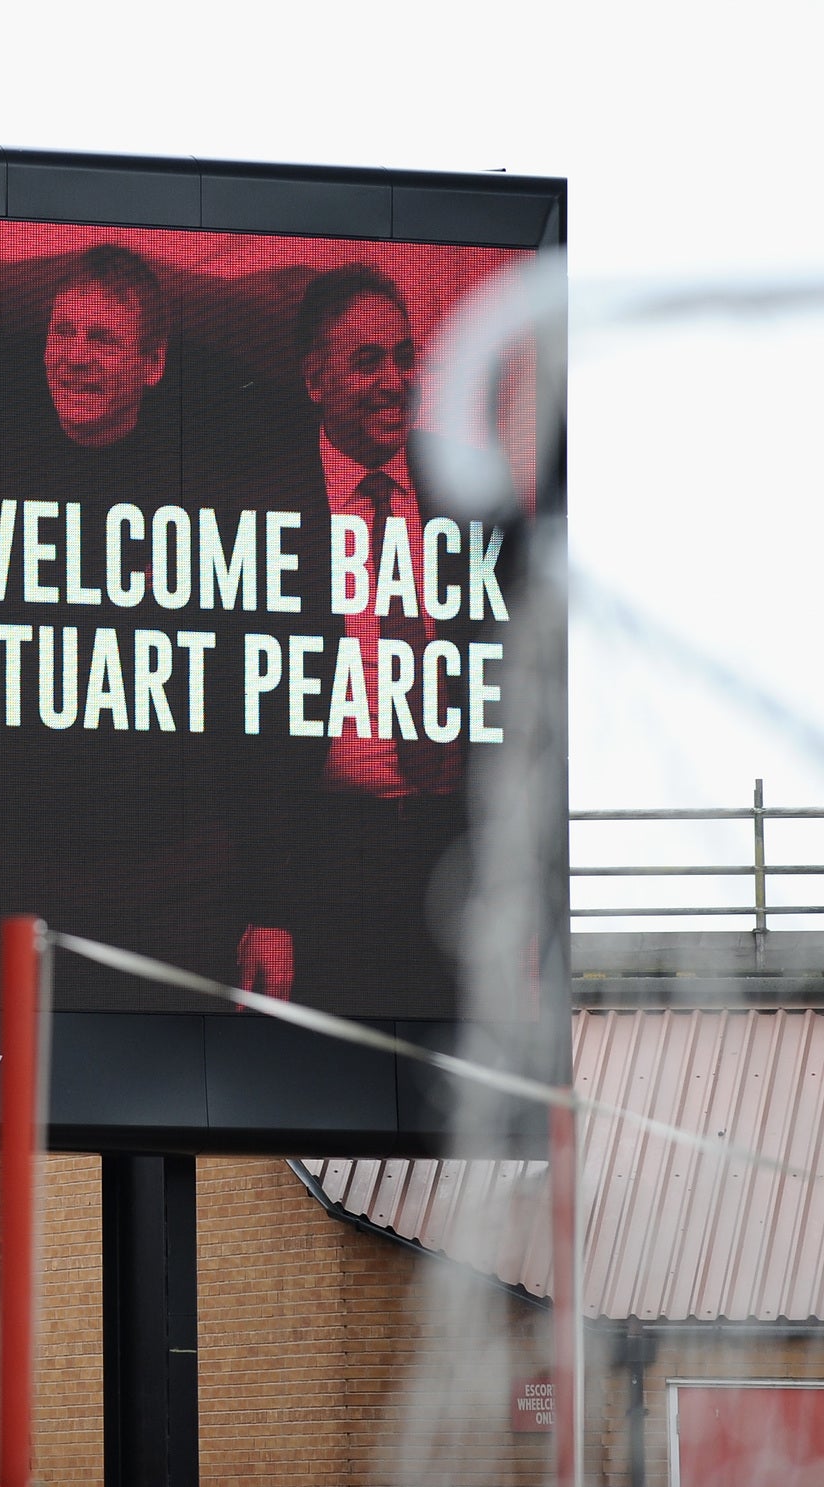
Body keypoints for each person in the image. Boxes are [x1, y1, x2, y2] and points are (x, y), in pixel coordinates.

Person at [0, 244, 246, 1010]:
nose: (75, 356)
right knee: (5, 1124)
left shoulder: (208, 511)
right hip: (13, 891)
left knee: (157, 1123)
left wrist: (264, 905)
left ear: (153, 363)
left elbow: (248, 721)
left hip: (175, 896)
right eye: (63, 333)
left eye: (103, 339)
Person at [230, 263, 511, 1018]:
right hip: (327, 865)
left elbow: (511, 687)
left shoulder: (469, 491)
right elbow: (239, 733)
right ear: (316, 379)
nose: (395, 379)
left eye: (403, 355)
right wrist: (268, 905)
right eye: (366, 361)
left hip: (457, 858)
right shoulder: (262, 507)